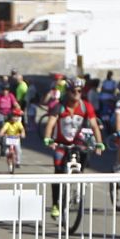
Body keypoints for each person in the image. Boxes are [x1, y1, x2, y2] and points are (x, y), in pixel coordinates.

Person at [43, 88, 106, 217]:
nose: (76, 93)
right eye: (73, 91)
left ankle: (78, 177)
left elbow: (94, 125)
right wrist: (48, 138)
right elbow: (50, 123)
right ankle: (55, 203)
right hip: (61, 143)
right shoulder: (60, 107)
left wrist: (99, 142)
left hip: (79, 142)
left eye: (79, 91)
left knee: (84, 156)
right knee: (58, 170)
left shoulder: (86, 106)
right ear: (68, 92)